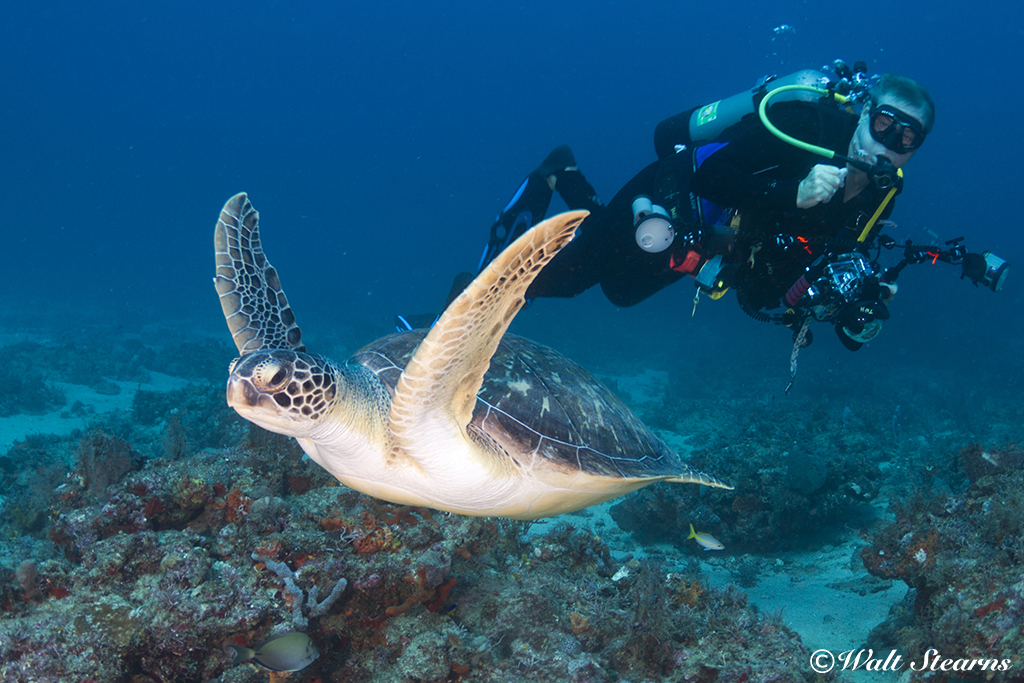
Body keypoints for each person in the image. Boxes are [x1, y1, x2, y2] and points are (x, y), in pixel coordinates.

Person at [399, 70, 937, 352]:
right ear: (865, 111)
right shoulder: (802, 129)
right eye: (886, 123)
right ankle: (446, 322)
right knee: (563, 281)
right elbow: (708, 171)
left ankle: (568, 176)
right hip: (670, 195)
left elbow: (834, 250)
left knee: (622, 292)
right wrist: (790, 195)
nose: (890, 144)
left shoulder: (885, 190)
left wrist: (857, 293)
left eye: (908, 137)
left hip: (703, 241)